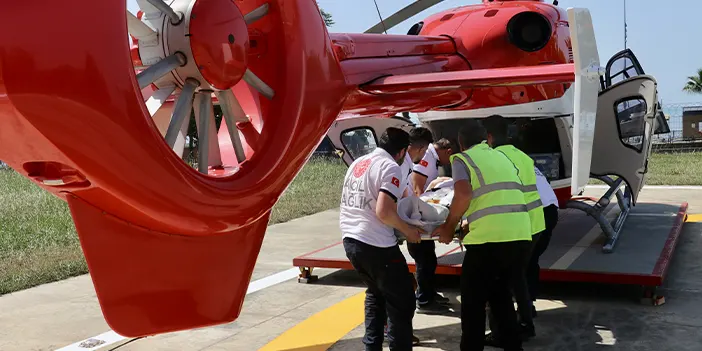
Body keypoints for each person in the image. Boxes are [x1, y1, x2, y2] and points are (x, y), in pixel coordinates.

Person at [432, 120, 532, 351]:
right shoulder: (501, 157)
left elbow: (464, 194)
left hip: (489, 242)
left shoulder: (462, 159)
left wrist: (449, 226)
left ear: (461, 143)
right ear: (485, 139)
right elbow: (494, 198)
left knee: (473, 305)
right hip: (519, 235)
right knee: (501, 299)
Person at [340, 127, 425, 351]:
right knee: (403, 301)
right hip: (376, 245)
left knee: (376, 295)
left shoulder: (360, 163)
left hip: (351, 240)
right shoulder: (390, 167)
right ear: (403, 151)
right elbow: (384, 211)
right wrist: (408, 230)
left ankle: (372, 347)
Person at [481, 114, 546, 345]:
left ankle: (502, 332)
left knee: (498, 282)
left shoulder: (493, 158)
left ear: (488, 136)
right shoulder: (522, 155)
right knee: (518, 277)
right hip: (535, 223)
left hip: (514, 226)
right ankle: (526, 325)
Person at [403, 131, 452, 312]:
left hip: (418, 214)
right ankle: (424, 299)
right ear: (447, 151)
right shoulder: (428, 158)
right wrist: (422, 218)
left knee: (428, 258)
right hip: (417, 217)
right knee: (425, 259)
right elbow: (417, 187)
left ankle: (428, 293)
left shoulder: (430, 157)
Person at [527, 165, 560, 315]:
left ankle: (524, 310)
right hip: (550, 210)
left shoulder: (503, 161)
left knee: (520, 262)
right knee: (530, 260)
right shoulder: (525, 160)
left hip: (537, 212)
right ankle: (528, 305)